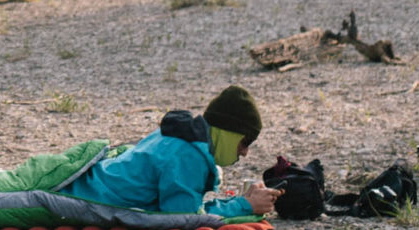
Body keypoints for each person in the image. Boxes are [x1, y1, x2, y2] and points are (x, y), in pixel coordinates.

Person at [58, 84, 281, 217]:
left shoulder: (184, 134)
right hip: (79, 195)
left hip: (91, 181)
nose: (245, 152)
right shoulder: (188, 154)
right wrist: (245, 205)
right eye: (245, 141)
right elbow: (182, 216)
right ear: (228, 133)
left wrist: (243, 200)